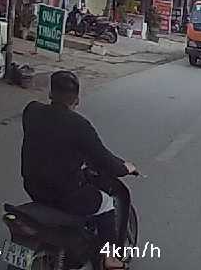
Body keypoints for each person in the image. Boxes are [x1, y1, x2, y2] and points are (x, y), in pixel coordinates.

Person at [21, 71, 136, 269]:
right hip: (64, 195)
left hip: (33, 187)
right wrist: (125, 167)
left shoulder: (31, 111)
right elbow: (103, 159)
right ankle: (110, 259)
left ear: (50, 93)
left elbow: (48, 140)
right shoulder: (79, 125)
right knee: (106, 203)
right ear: (77, 99)